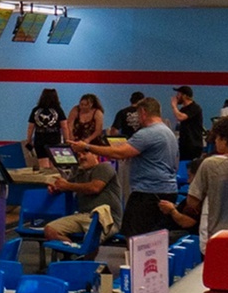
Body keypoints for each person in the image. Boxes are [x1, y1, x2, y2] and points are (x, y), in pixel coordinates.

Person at [77, 97, 178, 236]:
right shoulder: (168, 133)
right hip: (167, 190)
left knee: (135, 237)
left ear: (143, 112)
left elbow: (119, 152)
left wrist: (87, 147)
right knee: (155, 238)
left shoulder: (148, 133)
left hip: (148, 192)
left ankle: (135, 258)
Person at [165, 115, 228, 247]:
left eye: (217, 138)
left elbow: (192, 202)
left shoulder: (211, 164)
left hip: (217, 239)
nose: (215, 142)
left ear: (224, 140)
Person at [41, 147, 120, 242]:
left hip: (105, 218)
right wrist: (56, 188)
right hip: (83, 215)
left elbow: (94, 188)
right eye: (78, 155)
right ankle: (72, 252)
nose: (81, 157)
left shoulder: (104, 167)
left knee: (91, 238)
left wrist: (67, 185)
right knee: (50, 230)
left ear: (95, 154)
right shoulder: (79, 173)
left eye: (85, 153)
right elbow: (67, 186)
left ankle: (86, 255)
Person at [27, 88, 65, 167]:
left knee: (43, 165)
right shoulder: (58, 110)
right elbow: (64, 126)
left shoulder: (36, 110)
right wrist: (67, 140)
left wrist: (29, 140)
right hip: (54, 141)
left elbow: (30, 127)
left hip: (40, 141)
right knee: (54, 165)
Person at [171, 86, 205, 163]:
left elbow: (180, 117)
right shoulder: (183, 109)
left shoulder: (195, 107)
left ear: (185, 95)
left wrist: (174, 106)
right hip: (184, 143)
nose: (177, 96)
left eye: (179, 94)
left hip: (193, 144)